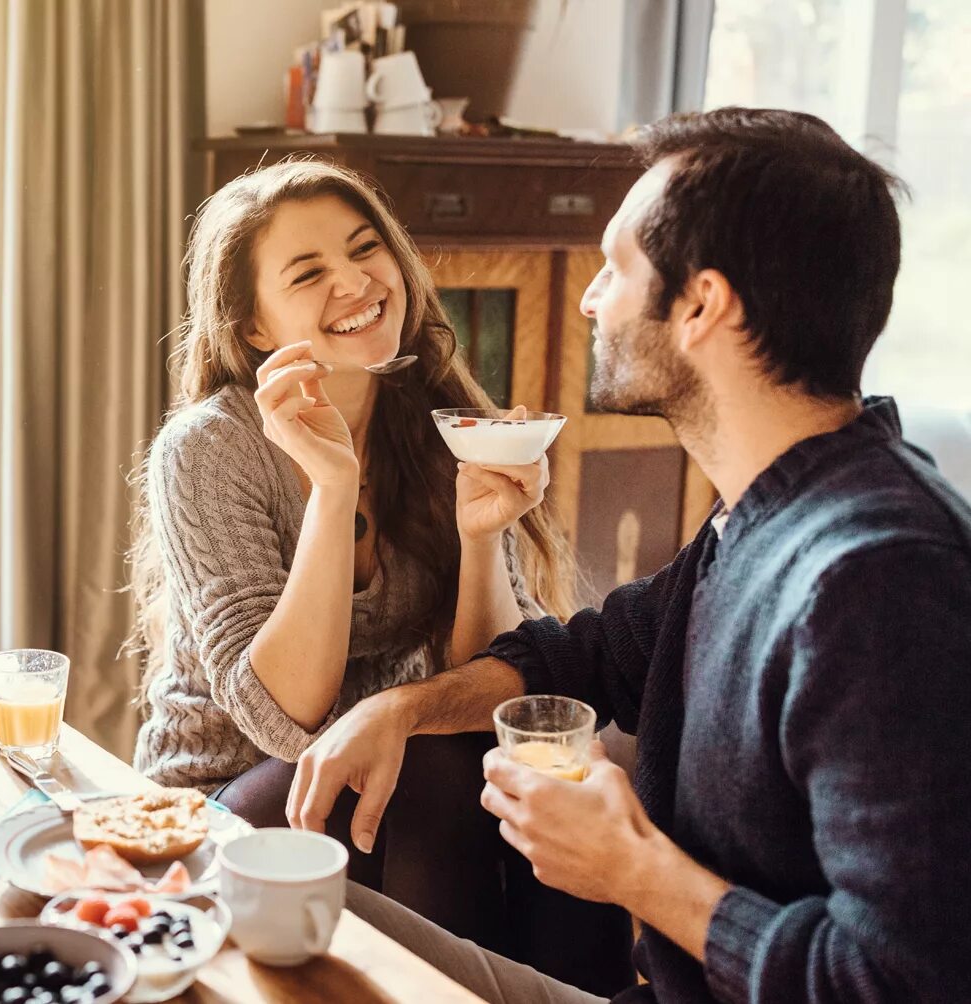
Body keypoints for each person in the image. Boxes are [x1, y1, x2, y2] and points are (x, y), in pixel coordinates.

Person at [290, 107, 971, 1003]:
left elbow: (905, 982)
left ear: (701, 305)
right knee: (304, 919)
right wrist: (400, 710)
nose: (588, 298)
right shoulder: (761, 516)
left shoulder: (877, 581)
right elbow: (592, 652)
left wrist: (636, 871)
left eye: (615, 267)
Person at [127, 159, 632, 992]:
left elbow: (494, 686)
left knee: (556, 774)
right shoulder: (209, 451)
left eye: (366, 250)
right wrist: (333, 488)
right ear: (254, 326)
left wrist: (481, 537)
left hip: (398, 767)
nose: (356, 281)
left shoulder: (437, 415)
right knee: (430, 772)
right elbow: (287, 720)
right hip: (222, 800)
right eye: (308, 272)